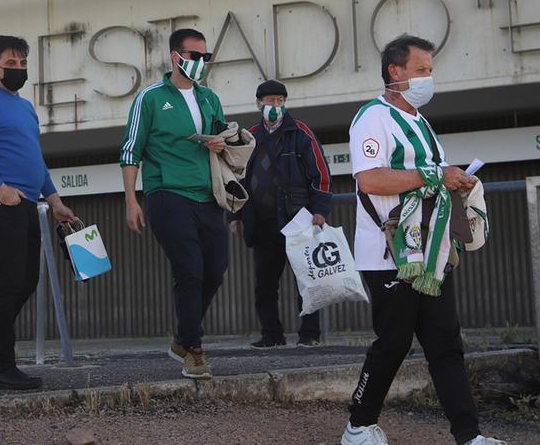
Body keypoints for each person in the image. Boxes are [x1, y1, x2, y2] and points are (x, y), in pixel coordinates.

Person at [340, 34, 504, 445]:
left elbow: (431, 177)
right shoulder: (371, 118)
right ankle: (358, 425)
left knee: (446, 345)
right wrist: (435, 175)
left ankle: (470, 436)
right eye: (421, 71)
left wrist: (457, 180)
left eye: (430, 71)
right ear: (395, 72)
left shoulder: (422, 123)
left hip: (431, 251)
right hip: (388, 252)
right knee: (393, 344)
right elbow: (371, 179)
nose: (428, 79)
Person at [0, 35, 76, 390]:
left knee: (25, 281)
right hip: (1, 202)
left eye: (23, 64)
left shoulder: (24, 107)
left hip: (27, 204)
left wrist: (54, 200)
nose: (19, 70)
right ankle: (0, 366)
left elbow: (35, 160)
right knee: (9, 284)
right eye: (12, 64)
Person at [120, 28, 228, 379]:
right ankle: (194, 350)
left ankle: (182, 336)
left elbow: (224, 136)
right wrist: (131, 200)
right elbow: (130, 150)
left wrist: (221, 142)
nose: (200, 63)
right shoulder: (149, 98)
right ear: (175, 56)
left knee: (216, 269)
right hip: (167, 194)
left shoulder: (210, 98)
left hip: (208, 194)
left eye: (205, 57)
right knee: (190, 269)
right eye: (194, 56)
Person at [227, 80, 332, 349]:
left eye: (279, 100)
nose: (274, 105)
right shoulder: (248, 136)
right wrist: (234, 216)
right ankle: (271, 335)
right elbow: (235, 177)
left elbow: (320, 173)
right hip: (261, 222)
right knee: (264, 285)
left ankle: (309, 334)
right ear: (258, 103)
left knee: (306, 280)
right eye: (269, 100)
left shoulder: (300, 132)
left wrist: (319, 210)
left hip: (297, 218)